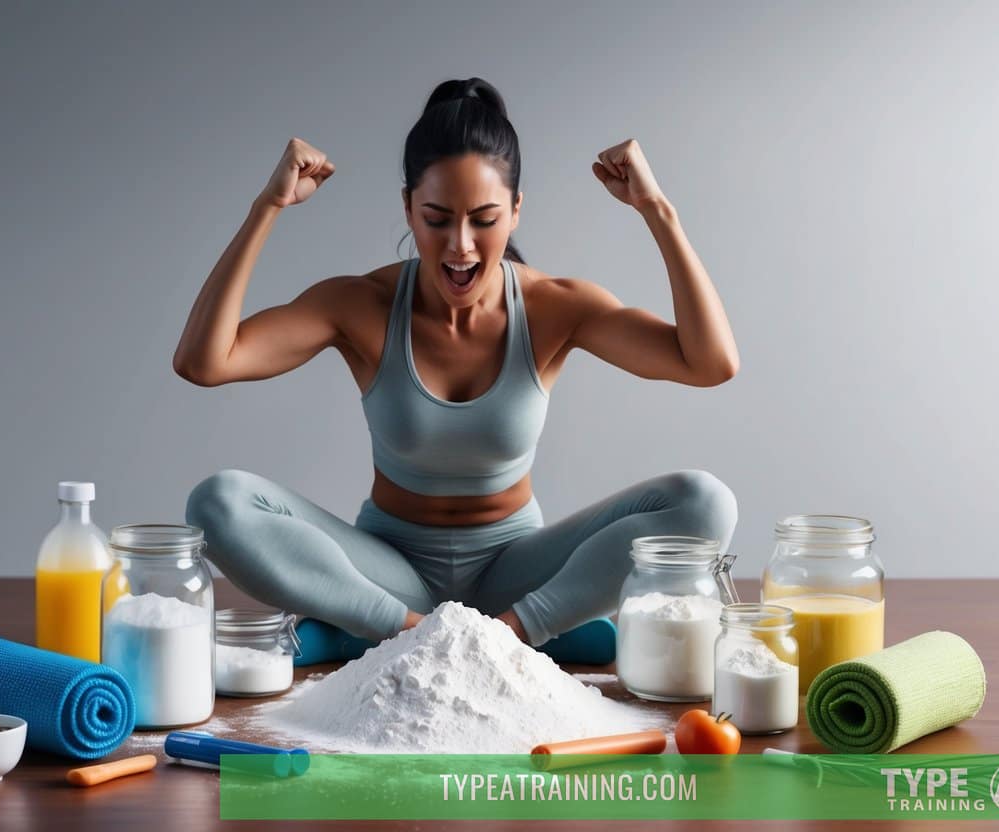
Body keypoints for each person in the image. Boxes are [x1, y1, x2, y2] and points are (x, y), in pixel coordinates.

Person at [177, 77, 739, 665]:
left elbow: (709, 363)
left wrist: (658, 210)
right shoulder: (360, 304)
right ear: (408, 210)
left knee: (706, 502)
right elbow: (204, 361)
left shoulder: (553, 306)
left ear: (516, 211)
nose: (461, 245)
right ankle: (414, 632)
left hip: (516, 576)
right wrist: (266, 207)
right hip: (388, 575)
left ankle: (501, 636)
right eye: (438, 219)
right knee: (216, 502)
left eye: (485, 219)